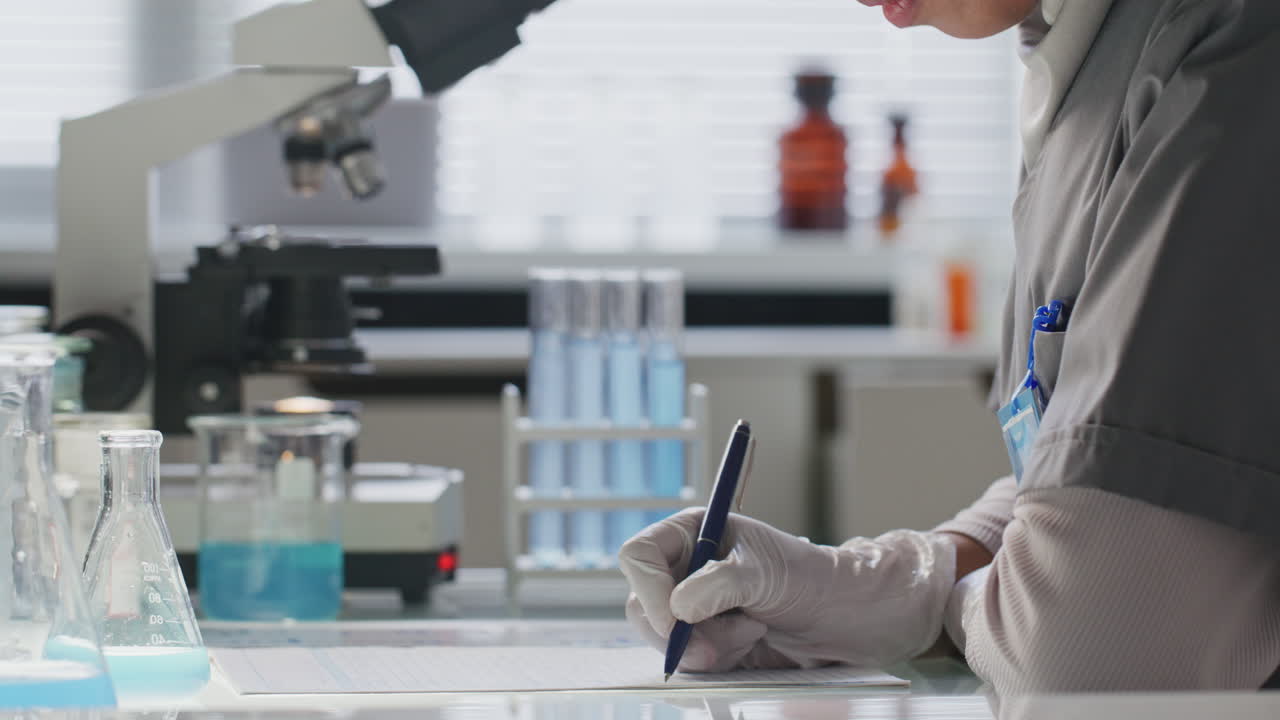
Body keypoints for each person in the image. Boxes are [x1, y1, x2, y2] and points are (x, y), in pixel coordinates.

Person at [620, 0, 1280, 702]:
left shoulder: (1233, 43)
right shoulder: (1087, 52)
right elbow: (1085, 467)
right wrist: (862, 579)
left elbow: (1092, 655)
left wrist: (925, 603)